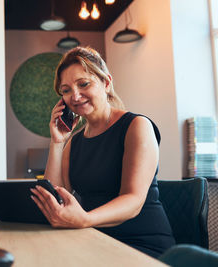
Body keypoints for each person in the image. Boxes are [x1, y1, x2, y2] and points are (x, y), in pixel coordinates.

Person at [30, 46, 175, 258]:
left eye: (83, 84)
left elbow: (133, 200)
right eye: (66, 90)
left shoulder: (137, 126)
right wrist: (56, 141)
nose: (75, 96)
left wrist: (85, 219)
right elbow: (55, 198)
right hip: (94, 239)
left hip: (142, 246)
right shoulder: (75, 142)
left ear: (106, 83)